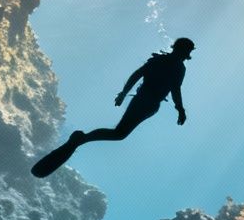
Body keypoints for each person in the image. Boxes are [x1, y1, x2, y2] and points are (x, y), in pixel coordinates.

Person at [31, 37, 192, 177]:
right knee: (119, 134)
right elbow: (173, 88)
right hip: (146, 103)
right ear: (182, 50)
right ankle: (82, 139)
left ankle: (82, 139)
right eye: (187, 52)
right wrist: (180, 109)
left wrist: (124, 93)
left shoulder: (162, 61)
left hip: (146, 103)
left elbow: (138, 76)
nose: (186, 56)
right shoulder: (177, 67)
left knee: (119, 133)